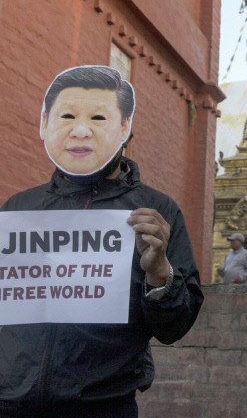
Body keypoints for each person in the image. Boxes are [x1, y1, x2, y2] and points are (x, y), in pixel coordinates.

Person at [0, 65, 202, 418]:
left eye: (98, 117)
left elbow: (175, 327)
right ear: (45, 123)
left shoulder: (156, 212)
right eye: (66, 116)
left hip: (103, 407)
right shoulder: (19, 209)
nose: (81, 130)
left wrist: (159, 273)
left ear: (125, 127)